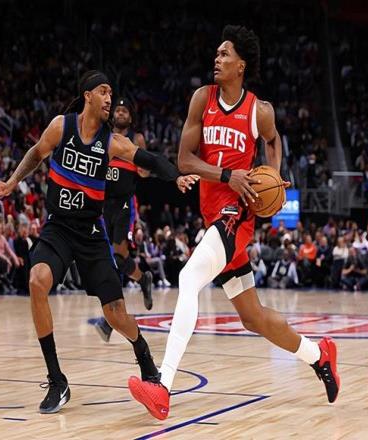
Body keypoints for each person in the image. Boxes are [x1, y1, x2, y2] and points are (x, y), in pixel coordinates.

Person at [128, 26, 340, 420]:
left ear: (240, 65)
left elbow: (273, 140)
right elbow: (185, 160)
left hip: (236, 216)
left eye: (225, 54)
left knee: (188, 278)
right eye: (217, 53)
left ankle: (162, 386)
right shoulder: (202, 99)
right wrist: (228, 175)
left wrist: (273, 175)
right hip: (213, 211)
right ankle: (319, 355)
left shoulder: (260, 110)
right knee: (252, 317)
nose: (217, 59)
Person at [0, 70, 198, 414]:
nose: (109, 98)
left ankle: (145, 358)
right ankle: (57, 380)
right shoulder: (61, 127)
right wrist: (11, 182)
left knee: (115, 315)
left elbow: (149, 159)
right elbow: (36, 153)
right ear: (87, 95)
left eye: (111, 93)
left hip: (91, 233)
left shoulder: (112, 142)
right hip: (59, 227)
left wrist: (175, 177)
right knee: (37, 281)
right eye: (103, 91)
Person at [94, 97, 154, 343]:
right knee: (110, 259)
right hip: (102, 203)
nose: (119, 113)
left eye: (124, 111)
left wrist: (133, 158)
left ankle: (110, 319)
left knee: (117, 258)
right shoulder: (105, 136)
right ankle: (143, 278)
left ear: (130, 116)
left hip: (124, 204)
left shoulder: (136, 139)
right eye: (117, 110)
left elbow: (146, 172)